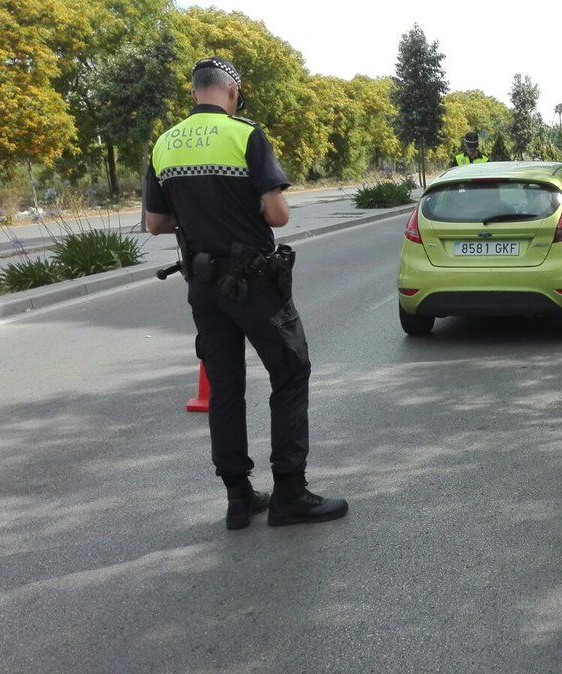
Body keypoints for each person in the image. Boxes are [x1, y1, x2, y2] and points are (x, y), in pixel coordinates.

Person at [145, 56, 348, 530]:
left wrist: (201, 217)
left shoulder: (165, 144)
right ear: (232, 94)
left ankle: (239, 498)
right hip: (255, 283)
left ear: (195, 92)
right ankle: (290, 494)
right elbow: (278, 216)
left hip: (203, 287)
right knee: (291, 373)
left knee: (225, 390)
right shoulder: (246, 135)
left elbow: (156, 223)